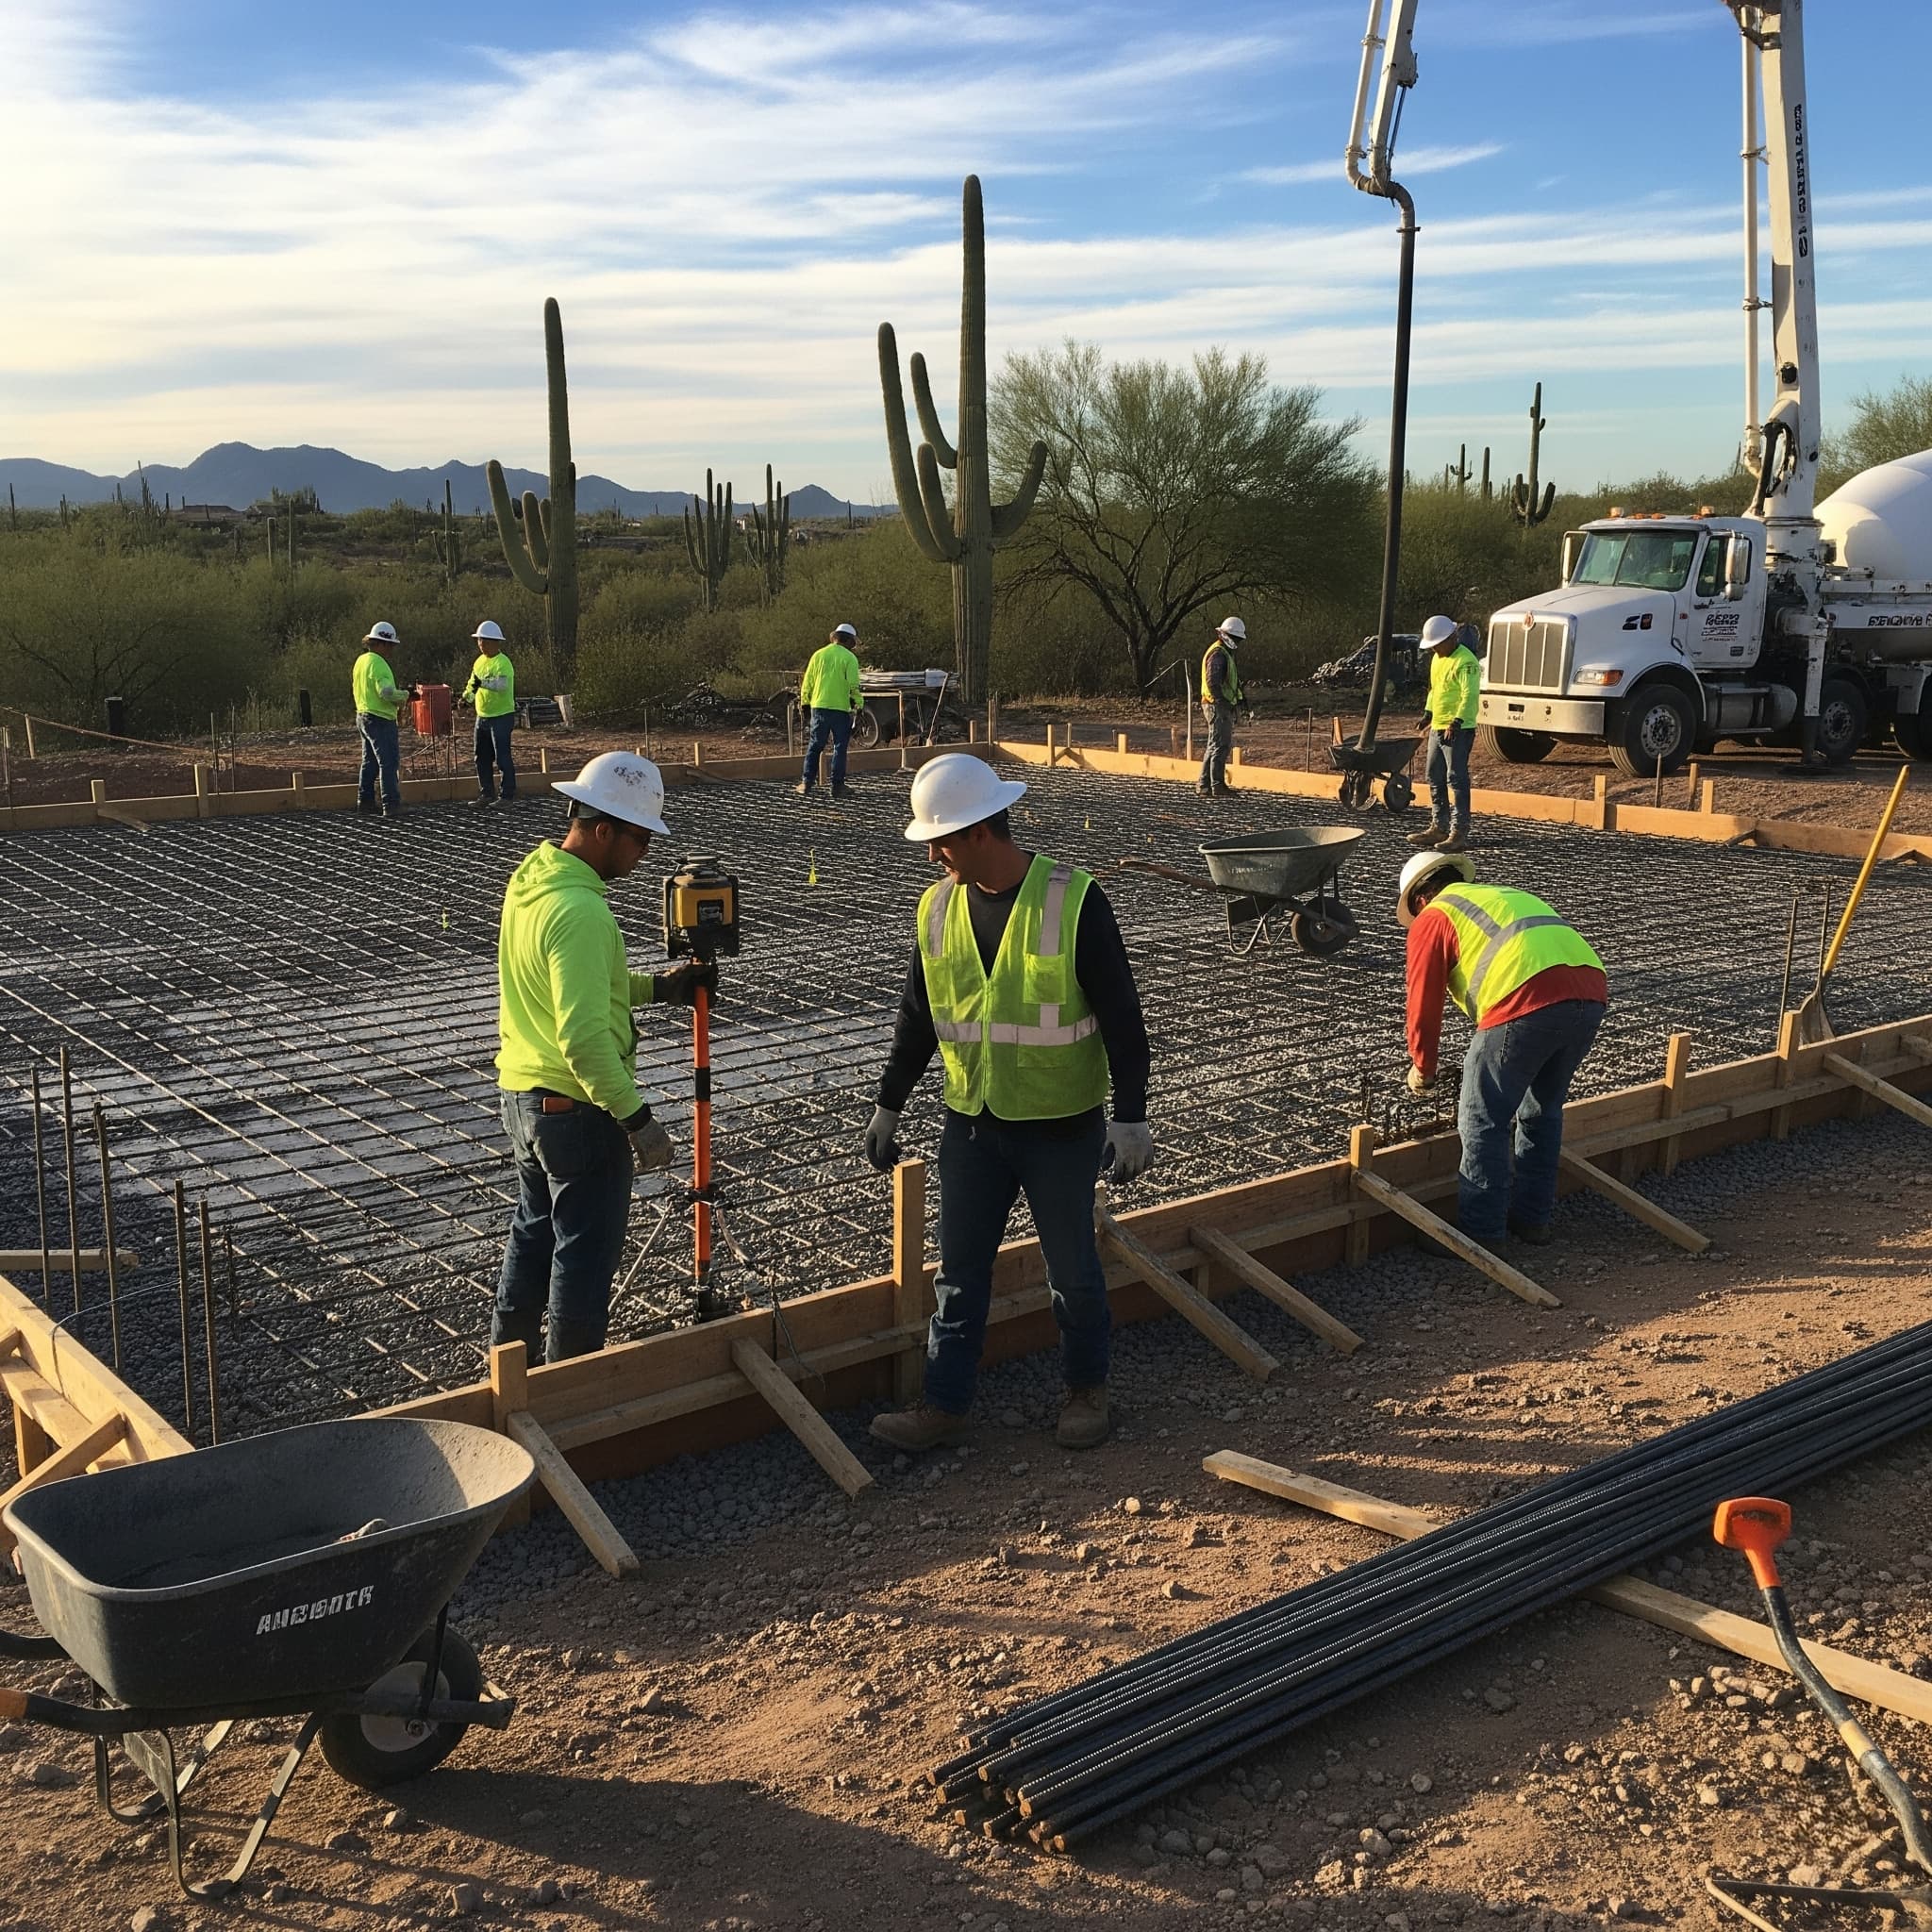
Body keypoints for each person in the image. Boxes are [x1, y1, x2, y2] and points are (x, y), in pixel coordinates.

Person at [863, 754, 1154, 1453]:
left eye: (941, 840)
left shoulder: (1072, 898)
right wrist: (889, 1104)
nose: (932, 854)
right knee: (959, 1275)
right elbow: (918, 1014)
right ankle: (945, 1403)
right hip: (970, 1123)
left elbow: (1122, 1016)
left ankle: (1087, 1391)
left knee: (1072, 1274)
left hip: (1058, 1126)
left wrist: (1132, 1114)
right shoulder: (936, 907)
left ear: (980, 832)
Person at [492, 751, 715, 1363]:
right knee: (582, 1270)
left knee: (532, 1243)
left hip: (524, 1101)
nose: (643, 855)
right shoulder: (582, 911)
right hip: (579, 1114)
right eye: (640, 840)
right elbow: (584, 1040)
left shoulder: (532, 881)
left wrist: (657, 987)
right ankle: (569, 1401)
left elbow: (576, 988)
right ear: (602, 829)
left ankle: (505, 1380)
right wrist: (639, 1122)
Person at [1398, 849, 1608, 1250]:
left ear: (1421, 898)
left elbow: (1422, 1001)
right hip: (1590, 994)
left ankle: (1481, 1235)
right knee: (1540, 1113)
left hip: (1524, 999)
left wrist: (1423, 1067)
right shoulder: (1502, 895)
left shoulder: (1434, 916)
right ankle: (1532, 1222)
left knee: (1482, 1118)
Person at [1412, 613, 1480, 852]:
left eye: (1436, 645)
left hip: (1457, 729)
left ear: (1451, 638)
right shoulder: (1438, 659)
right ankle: (1438, 827)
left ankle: (1459, 831)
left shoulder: (1466, 661)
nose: (1434, 650)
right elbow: (1435, 689)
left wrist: (1457, 721)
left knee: (1457, 778)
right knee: (1434, 776)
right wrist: (1428, 714)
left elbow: (1469, 695)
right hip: (1438, 726)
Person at [352, 620, 417, 820]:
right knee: (388, 762)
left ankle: (366, 801)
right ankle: (391, 804)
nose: (392, 650)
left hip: (363, 716)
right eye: (390, 645)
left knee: (369, 762)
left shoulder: (361, 661)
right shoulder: (379, 664)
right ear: (381, 643)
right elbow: (386, 692)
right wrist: (405, 695)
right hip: (380, 718)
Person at [796, 621, 866, 799]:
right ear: (849, 640)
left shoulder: (818, 655)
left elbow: (808, 682)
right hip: (841, 709)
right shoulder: (849, 658)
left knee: (815, 745)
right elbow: (853, 685)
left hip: (819, 707)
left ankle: (806, 783)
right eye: (853, 642)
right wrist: (859, 705)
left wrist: (805, 703)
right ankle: (837, 787)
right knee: (840, 747)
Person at [460, 619, 518, 807]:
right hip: (483, 716)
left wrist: (481, 684)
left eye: (484, 641)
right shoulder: (479, 662)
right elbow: (472, 684)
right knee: (481, 756)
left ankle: (507, 796)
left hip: (501, 716)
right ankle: (486, 794)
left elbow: (501, 685)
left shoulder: (503, 663)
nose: (481, 645)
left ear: (495, 642)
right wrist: (466, 698)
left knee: (502, 756)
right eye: (479, 641)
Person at [1197, 615, 1246, 797]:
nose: (1238, 642)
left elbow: (1228, 681)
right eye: (1236, 638)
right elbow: (1213, 681)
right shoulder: (1218, 654)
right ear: (1228, 636)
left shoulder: (1224, 652)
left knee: (1214, 744)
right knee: (1220, 745)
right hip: (1216, 705)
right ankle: (1216, 785)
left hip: (1217, 704)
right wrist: (1221, 703)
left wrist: (1237, 699)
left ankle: (1205, 785)